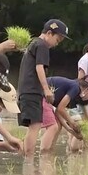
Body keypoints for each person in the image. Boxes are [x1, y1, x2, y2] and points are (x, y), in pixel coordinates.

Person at [18, 19, 71, 160]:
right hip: (32, 91)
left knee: (33, 127)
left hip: (26, 91)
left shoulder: (34, 43)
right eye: (57, 39)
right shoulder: (42, 46)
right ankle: (28, 160)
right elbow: (39, 67)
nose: (57, 43)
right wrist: (46, 90)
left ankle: (27, 159)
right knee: (35, 127)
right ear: (49, 33)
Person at [41, 75, 88, 153]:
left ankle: (50, 151)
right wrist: (73, 123)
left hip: (46, 100)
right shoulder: (75, 88)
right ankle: (44, 153)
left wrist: (72, 131)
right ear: (87, 90)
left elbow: (58, 112)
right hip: (40, 95)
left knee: (58, 126)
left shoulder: (76, 93)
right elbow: (61, 109)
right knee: (53, 127)